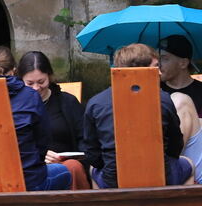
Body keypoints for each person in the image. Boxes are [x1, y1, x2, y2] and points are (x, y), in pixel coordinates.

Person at [0, 46, 72, 192]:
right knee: (65, 173)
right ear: (14, 71)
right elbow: (43, 141)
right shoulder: (30, 96)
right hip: (28, 182)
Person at [82, 43, 191, 188]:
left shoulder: (95, 103)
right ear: (141, 70)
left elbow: (92, 153)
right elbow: (175, 145)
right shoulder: (163, 99)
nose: (159, 72)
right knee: (189, 164)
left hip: (112, 181)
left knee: (93, 169)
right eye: (156, 66)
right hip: (161, 178)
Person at [16, 50, 90, 189]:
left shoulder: (67, 102)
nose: (36, 88)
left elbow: (85, 139)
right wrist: (38, 156)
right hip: (30, 167)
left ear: (49, 77)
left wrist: (71, 157)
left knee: (72, 167)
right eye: (30, 83)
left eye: (41, 82)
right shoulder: (16, 107)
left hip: (66, 163)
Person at [157, 35, 202, 115]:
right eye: (157, 58)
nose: (158, 64)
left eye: (164, 58)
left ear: (183, 63)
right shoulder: (154, 90)